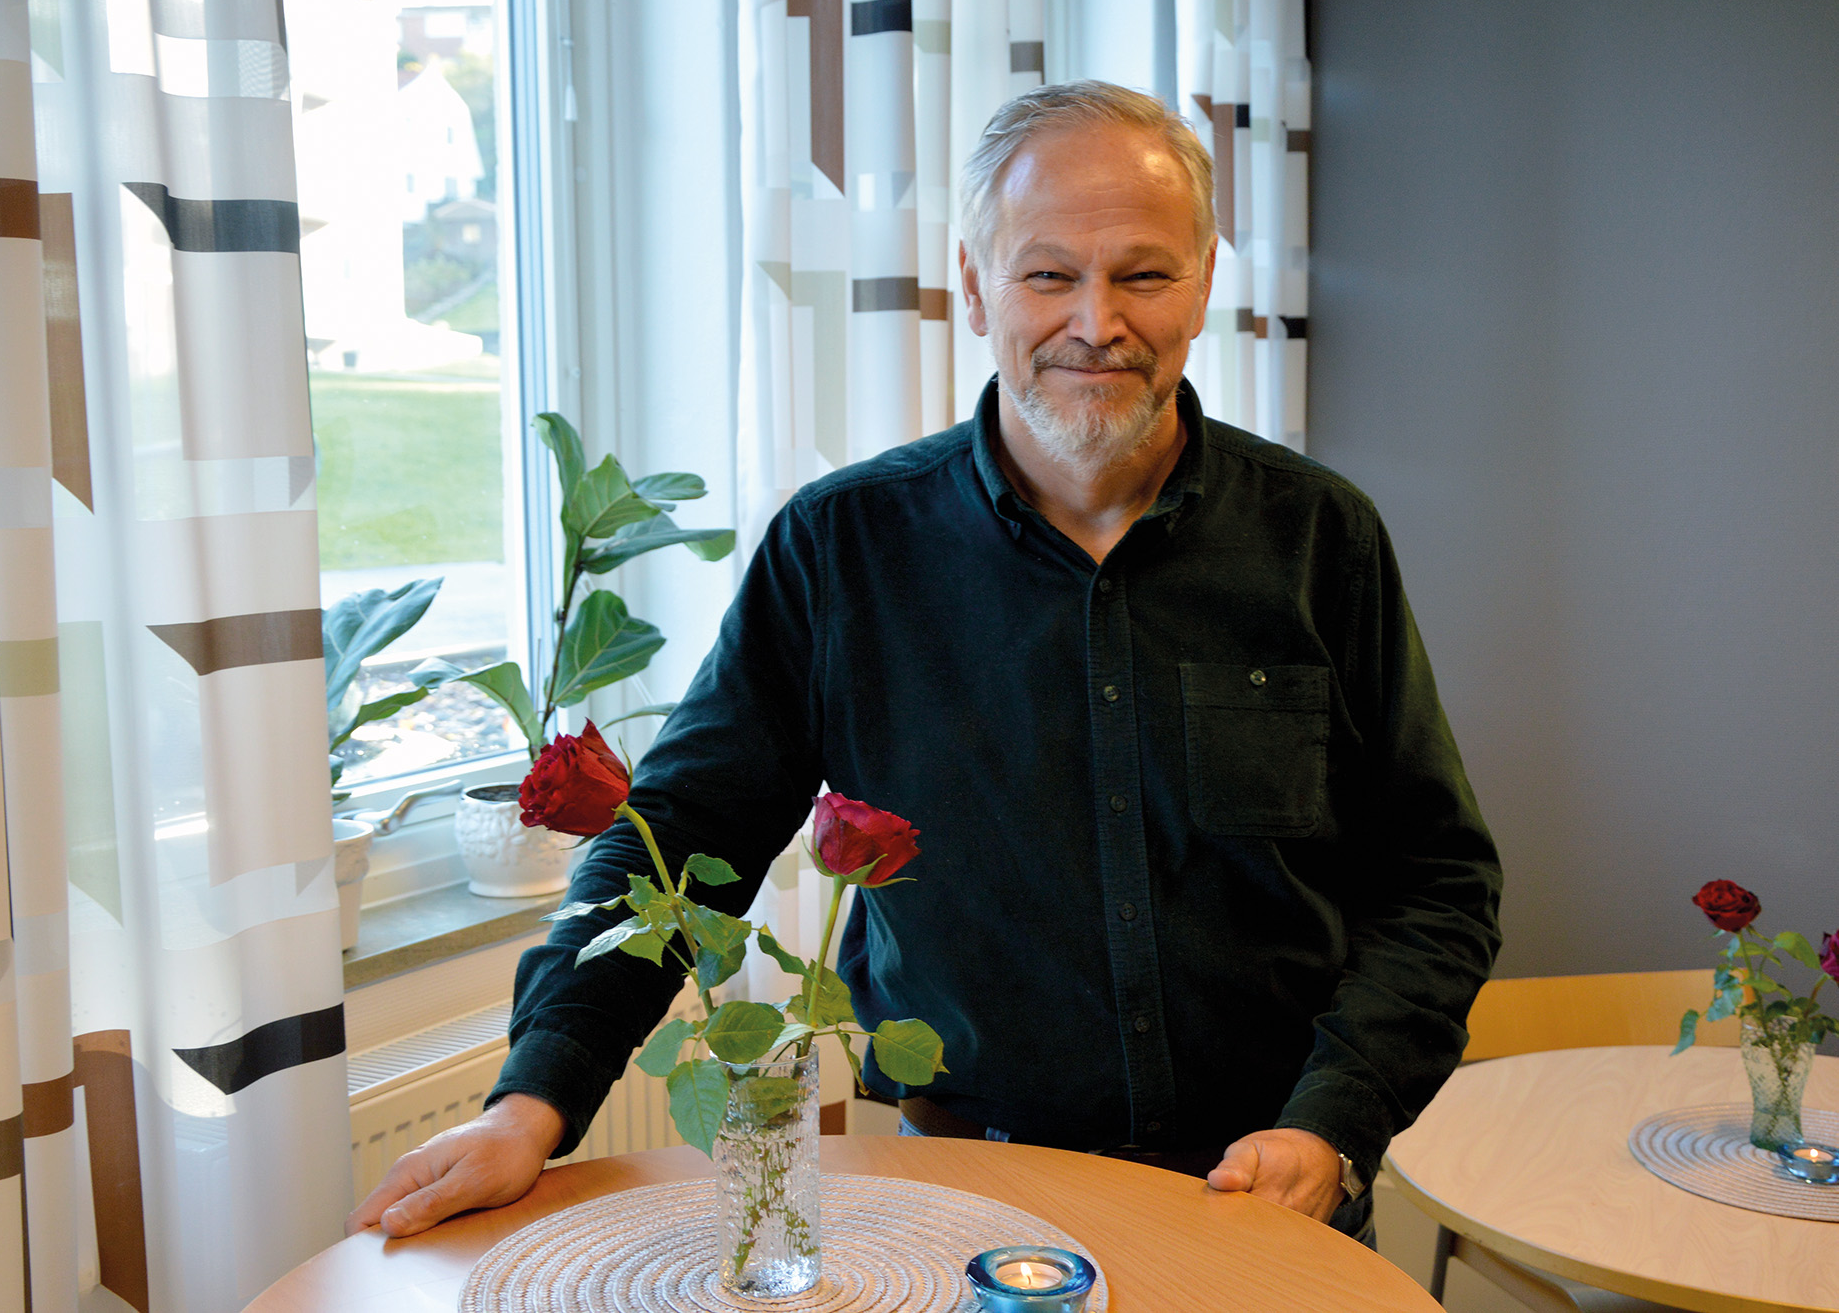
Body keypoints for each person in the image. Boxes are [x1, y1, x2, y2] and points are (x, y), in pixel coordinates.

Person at [348, 81, 1502, 1247]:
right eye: (1047, 274)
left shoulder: (1320, 537)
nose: (1096, 321)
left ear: (1203, 280)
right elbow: (679, 841)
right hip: (961, 1195)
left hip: (1265, 1190)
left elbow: (1437, 882)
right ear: (973, 284)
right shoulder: (839, 547)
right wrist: (531, 1104)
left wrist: (1333, 1122)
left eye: (1144, 275)